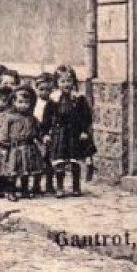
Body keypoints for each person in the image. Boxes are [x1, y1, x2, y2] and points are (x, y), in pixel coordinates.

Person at [42, 65, 95, 197]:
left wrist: (84, 131)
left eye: (69, 81)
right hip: (59, 133)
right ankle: (60, 187)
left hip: (74, 133)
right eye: (63, 81)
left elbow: (86, 116)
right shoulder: (53, 101)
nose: (66, 84)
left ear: (73, 82)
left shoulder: (79, 99)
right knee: (59, 162)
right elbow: (46, 119)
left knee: (74, 161)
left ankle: (76, 186)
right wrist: (45, 133)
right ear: (57, 83)